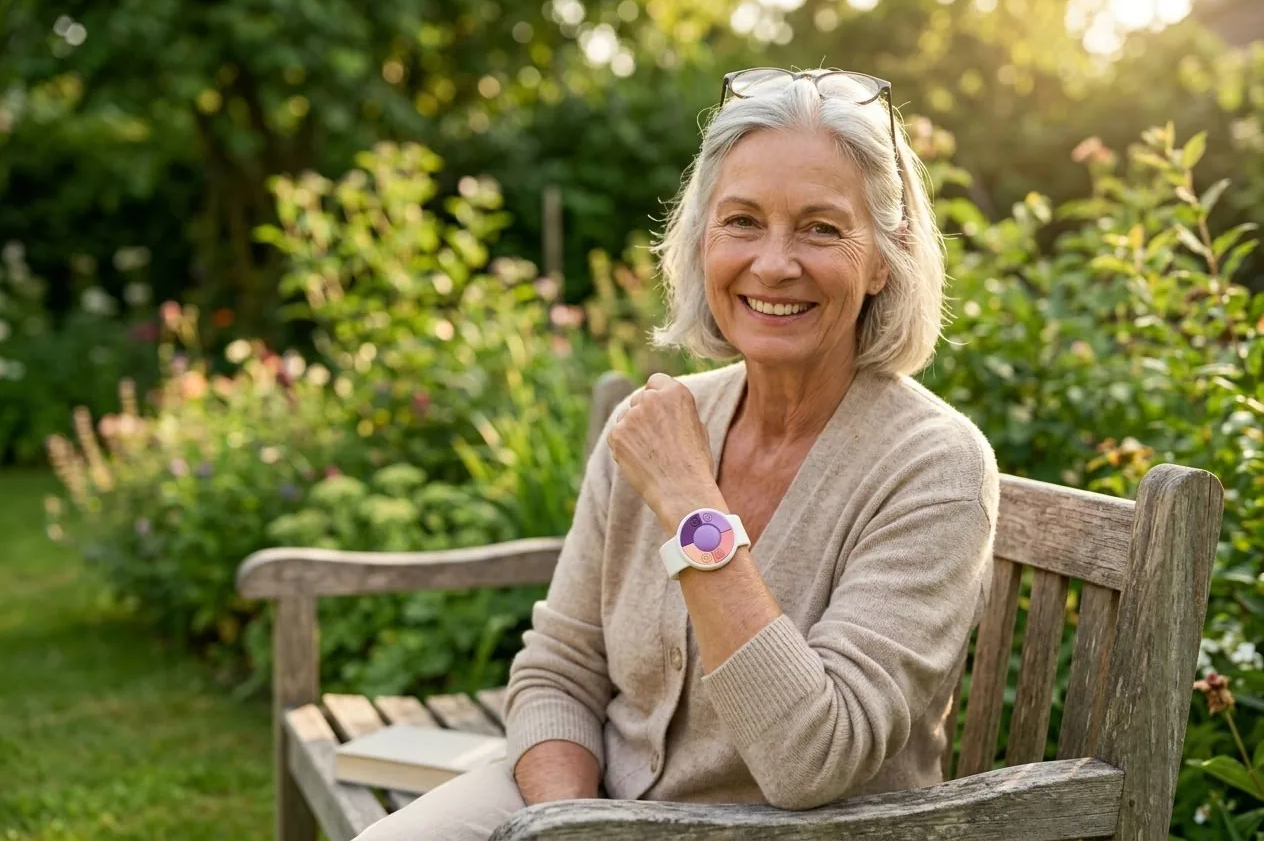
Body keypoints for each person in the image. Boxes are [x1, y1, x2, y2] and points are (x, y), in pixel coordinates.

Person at [354, 66, 999, 841]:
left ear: (885, 257)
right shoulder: (664, 420)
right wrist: (569, 823)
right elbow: (561, 666)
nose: (773, 263)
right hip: (590, 806)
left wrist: (696, 505)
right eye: (742, 222)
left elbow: (812, 760)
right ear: (700, 240)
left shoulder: (935, 466)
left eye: (822, 229)